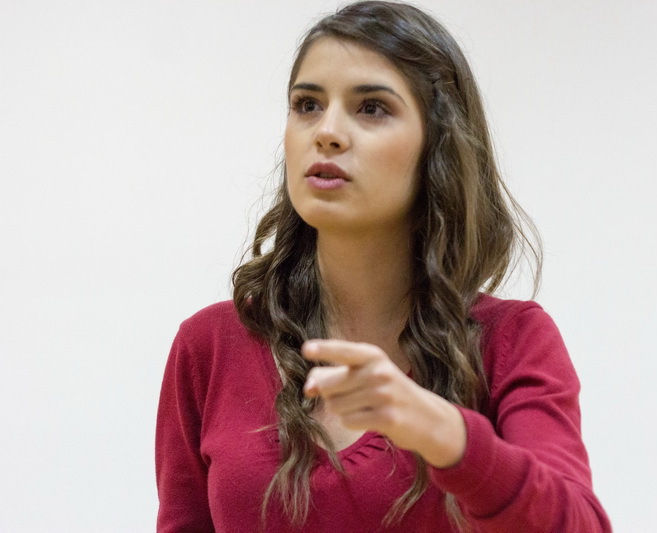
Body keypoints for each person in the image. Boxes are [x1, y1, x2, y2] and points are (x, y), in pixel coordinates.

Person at [155, 1, 612, 531]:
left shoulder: (512, 342)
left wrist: (447, 436)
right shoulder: (209, 346)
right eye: (307, 104)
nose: (327, 131)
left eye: (371, 108)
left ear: (438, 146)